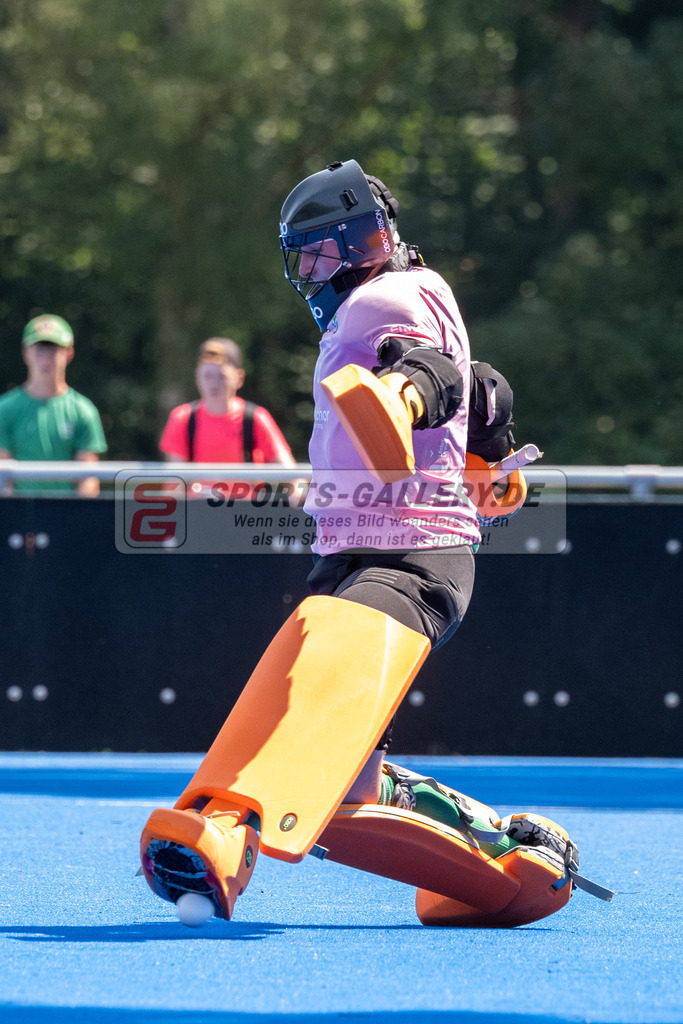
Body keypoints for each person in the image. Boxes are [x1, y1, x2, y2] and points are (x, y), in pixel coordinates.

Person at [140, 160, 587, 927]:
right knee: (341, 793)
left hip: (407, 556)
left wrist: (397, 397)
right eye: (301, 256)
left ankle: (219, 830)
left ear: (362, 240)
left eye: (318, 251)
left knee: (302, 690)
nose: (308, 272)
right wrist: (486, 458)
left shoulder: (388, 297)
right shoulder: (411, 296)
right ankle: (512, 866)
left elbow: (435, 370)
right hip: (363, 552)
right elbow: (481, 387)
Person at [0, 314, 107, 496]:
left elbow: (88, 479)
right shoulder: (5, 409)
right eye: (39, 349)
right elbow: (3, 478)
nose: (46, 358)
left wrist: (78, 519)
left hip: (66, 515)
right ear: (26, 353)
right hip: (18, 516)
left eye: (53, 350)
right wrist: (13, 519)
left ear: (69, 354)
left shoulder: (83, 411)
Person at [159, 337, 295, 468]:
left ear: (239, 378)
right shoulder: (182, 418)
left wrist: (300, 490)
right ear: (197, 377)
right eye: (207, 375)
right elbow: (175, 483)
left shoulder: (255, 418)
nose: (213, 383)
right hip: (198, 492)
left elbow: (291, 474)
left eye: (221, 376)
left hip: (244, 492)